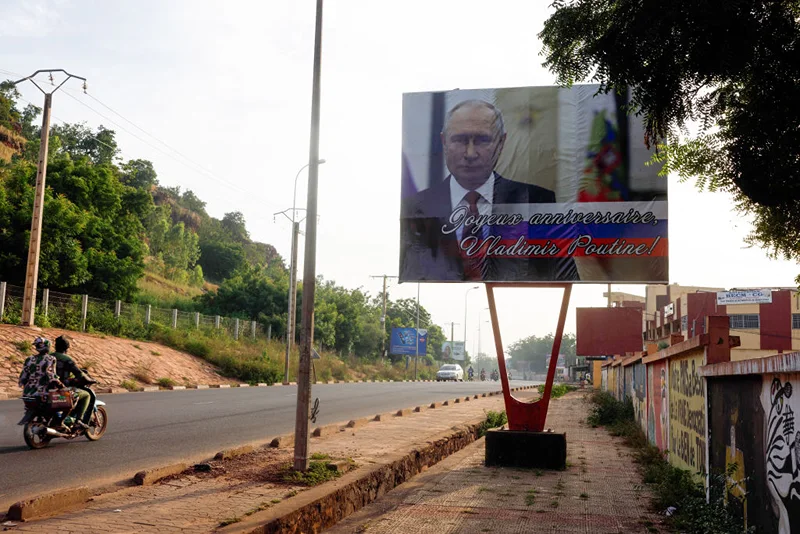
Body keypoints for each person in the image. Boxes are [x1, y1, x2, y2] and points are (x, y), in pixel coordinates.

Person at [400, 99, 578, 282]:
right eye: (460, 140)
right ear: (444, 142)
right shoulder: (415, 208)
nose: (470, 153)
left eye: (482, 140)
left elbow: (563, 274)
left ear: (501, 142)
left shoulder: (537, 201)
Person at [52, 335, 95, 428]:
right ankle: (78, 421)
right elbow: (79, 374)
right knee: (87, 395)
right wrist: (90, 380)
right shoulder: (67, 359)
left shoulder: (49, 356)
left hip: (48, 389)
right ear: (67, 348)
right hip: (61, 389)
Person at [18, 337, 63, 402]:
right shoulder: (50, 358)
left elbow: (23, 377)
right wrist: (61, 386)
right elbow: (51, 376)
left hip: (27, 394)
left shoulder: (29, 359)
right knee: (57, 407)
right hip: (42, 394)